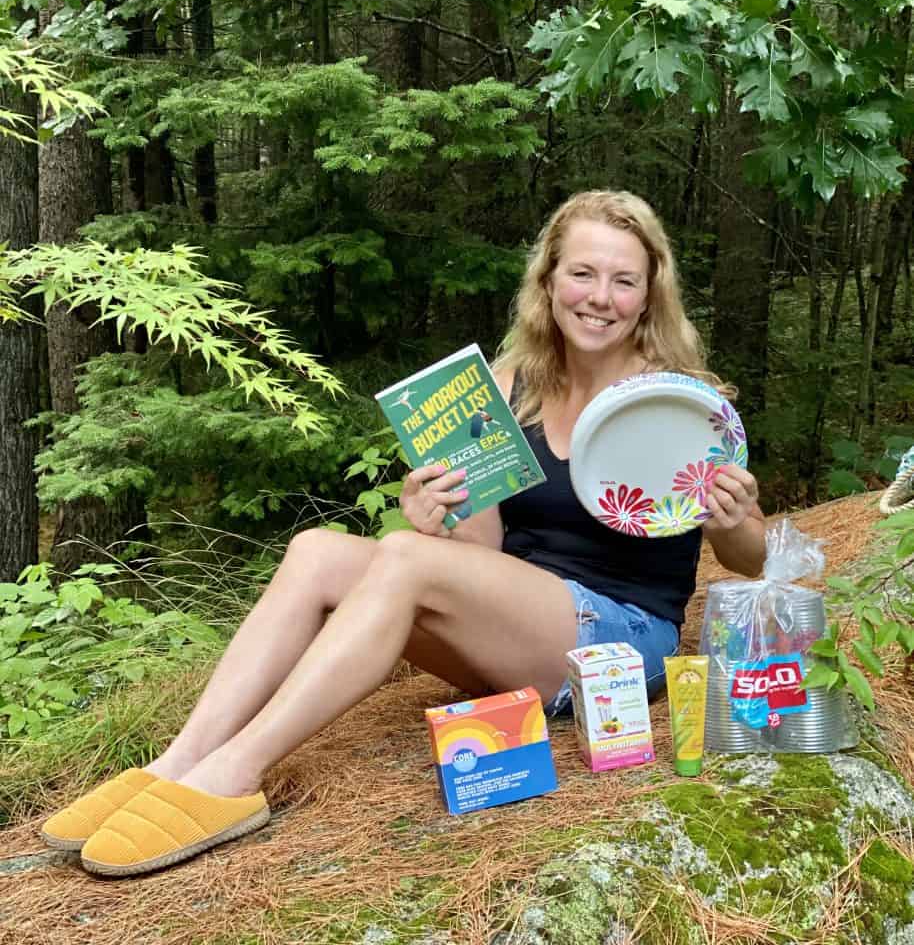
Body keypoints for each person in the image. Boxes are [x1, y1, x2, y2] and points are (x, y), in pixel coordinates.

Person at [41, 189, 766, 877]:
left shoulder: (679, 401)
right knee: (317, 552)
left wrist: (733, 521)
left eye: (623, 280)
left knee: (405, 560)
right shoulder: (507, 384)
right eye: (582, 273)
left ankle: (234, 775)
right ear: (548, 282)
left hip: (617, 644)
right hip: (521, 629)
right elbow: (481, 560)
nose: (600, 298)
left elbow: (752, 559)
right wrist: (439, 518)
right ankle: (177, 763)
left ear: (650, 294)